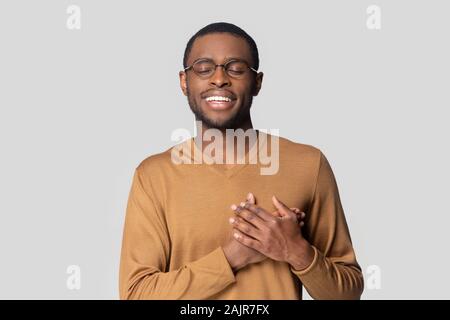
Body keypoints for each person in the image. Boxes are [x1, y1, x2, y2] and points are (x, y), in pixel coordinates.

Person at [119, 22, 364, 299]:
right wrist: (233, 257)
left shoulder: (308, 164)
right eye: (203, 67)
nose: (220, 78)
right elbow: (135, 294)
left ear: (257, 82)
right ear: (184, 82)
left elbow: (347, 292)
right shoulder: (153, 175)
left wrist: (295, 250)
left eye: (236, 68)